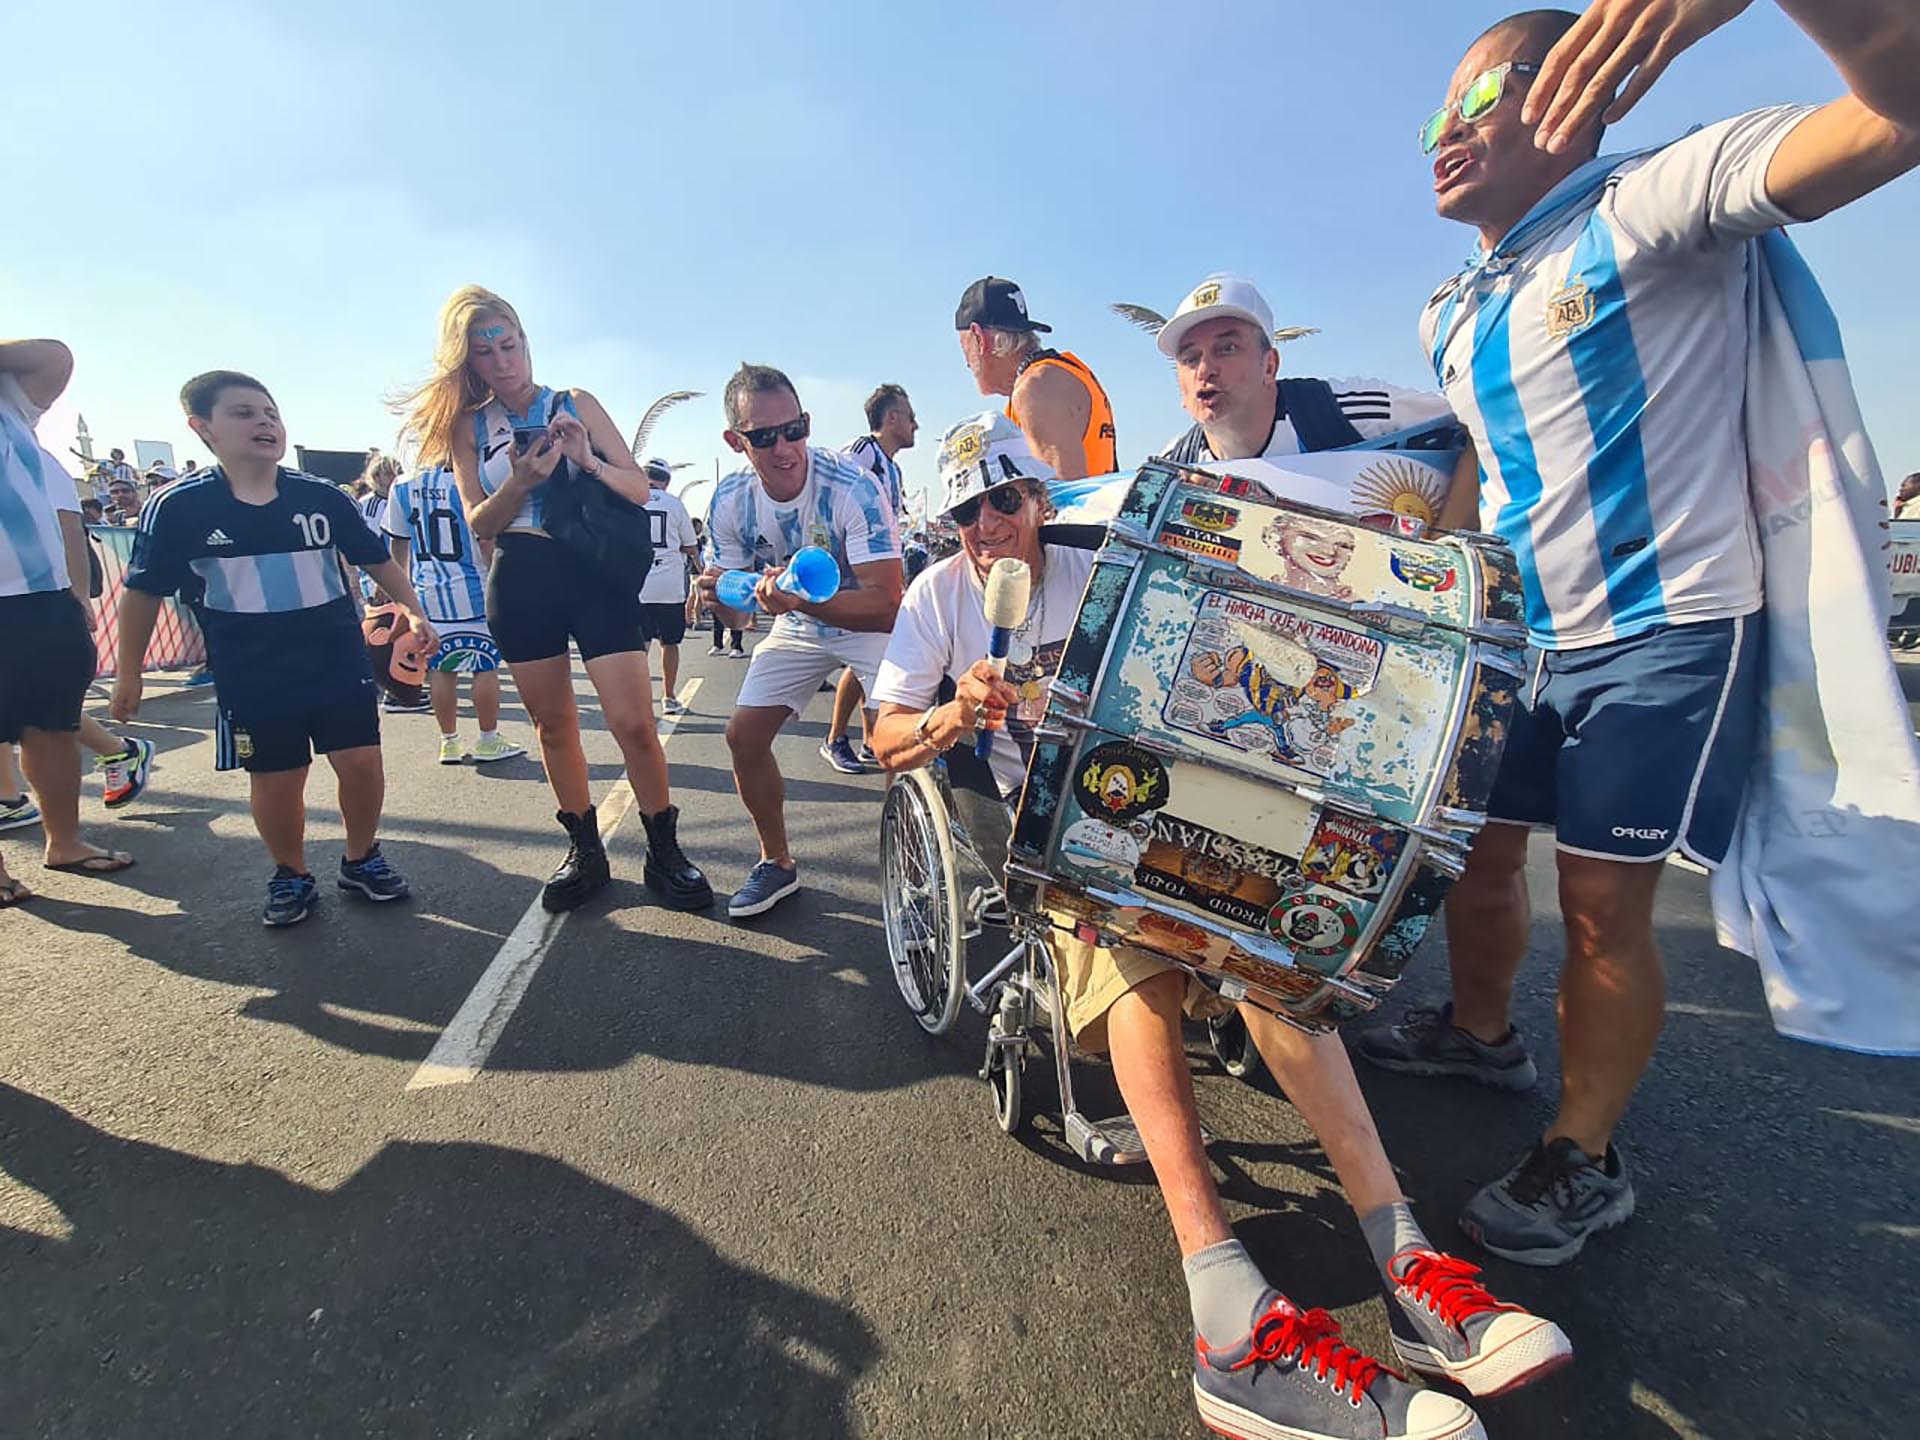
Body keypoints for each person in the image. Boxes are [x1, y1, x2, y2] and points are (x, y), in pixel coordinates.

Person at [1357, 1, 1920, 1266]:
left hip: (1663, 625)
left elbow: (1900, 111)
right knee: (1477, 859)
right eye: (1432, 114)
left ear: (1575, 91)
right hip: (1524, 642)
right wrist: (1446, 580)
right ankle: (1482, 1033)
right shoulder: (1451, 308)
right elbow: (1486, 468)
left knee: (1604, 904)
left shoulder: (1653, 198)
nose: (1440, 135)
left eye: (1473, 102)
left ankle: (1584, 1154)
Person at [870, 415, 1564, 1440]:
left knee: (1266, 929)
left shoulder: (1107, 564)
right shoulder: (937, 601)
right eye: (967, 512)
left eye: (1004, 502)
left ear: (1037, 505)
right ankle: (1227, 1313)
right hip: (1050, 821)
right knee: (1145, 935)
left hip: (1164, 794)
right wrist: (950, 718)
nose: (987, 528)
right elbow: (883, 737)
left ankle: (1406, 1255)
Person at [400, 285, 711, 913]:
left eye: (509, 344)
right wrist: (519, 481)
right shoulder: (468, 425)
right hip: (520, 572)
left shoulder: (575, 402)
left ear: (525, 341)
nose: (502, 361)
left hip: (592, 568)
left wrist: (585, 458)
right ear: (469, 363)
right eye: (485, 352)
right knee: (552, 724)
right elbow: (480, 522)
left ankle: (664, 849)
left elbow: (636, 488)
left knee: (633, 722)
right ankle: (585, 850)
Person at [111, 370, 436, 927]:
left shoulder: (322, 497)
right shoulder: (178, 507)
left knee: (360, 762)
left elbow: (376, 560)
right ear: (202, 428)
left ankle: (361, 858)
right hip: (252, 670)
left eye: (271, 412)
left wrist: (411, 607)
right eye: (243, 413)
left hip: (335, 656)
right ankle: (291, 873)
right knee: (278, 776)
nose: (265, 422)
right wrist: (128, 673)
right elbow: (141, 593)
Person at [698, 363, 903, 919]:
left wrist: (799, 601)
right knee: (743, 736)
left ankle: (910, 874)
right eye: (763, 437)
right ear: (736, 441)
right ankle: (777, 862)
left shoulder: (852, 488)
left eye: (796, 428)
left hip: (864, 620)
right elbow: (741, 620)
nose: (785, 447)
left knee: (896, 746)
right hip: (797, 622)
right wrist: (725, 601)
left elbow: (888, 603)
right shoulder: (731, 501)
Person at [1155, 273, 1465, 524]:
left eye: (1227, 349)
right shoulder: (1173, 464)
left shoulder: (1338, 411)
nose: (1205, 370)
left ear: (1270, 366)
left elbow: (1478, 422)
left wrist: (1444, 534)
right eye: (1190, 358)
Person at [0, 336, 136, 907]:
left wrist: (77, 590)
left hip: (36, 596)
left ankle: (65, 841)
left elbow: (53, 355)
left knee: (51, 726)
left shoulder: (11, 397)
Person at [383, 461, 526, 766]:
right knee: (484, 666)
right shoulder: (474, 480)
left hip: (428, 592)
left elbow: (399, 544)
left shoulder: (404, 484)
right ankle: (488, 738)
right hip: (474, 587)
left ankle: (449, 742)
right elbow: (486, 539)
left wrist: (402, 595)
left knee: (440, 668)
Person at [820, 383, 918, 774]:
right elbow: (835, 497)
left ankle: (868, 742)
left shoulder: (892, 468)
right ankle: (836, 739)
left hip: (876, 577)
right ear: (891, 419)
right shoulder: (864, 451)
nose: (916, 424)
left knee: (873, 658)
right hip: (853, 579)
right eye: (910, 416)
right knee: (868, 655)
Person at [955, 276, 1117, 480]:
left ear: (979, 338)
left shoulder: (1035, 389)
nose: (967, 363)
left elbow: (1062, 498)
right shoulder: (1061, 372)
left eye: (964, 348)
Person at [355, 453, 429, 715]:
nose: (393, 475)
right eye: (387, 472)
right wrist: (378, 583)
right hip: (381, 579)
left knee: (406, 635)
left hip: (404, 575)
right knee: (386, 636)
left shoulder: (404, 496)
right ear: (375, 477)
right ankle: (394, 692)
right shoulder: (369, 505)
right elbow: (369, 547)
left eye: (396, 469)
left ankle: (404, 687)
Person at [635, 457, 699, 716]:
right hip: (668, 584)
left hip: (637, 582)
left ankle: (639, 699)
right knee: (669, 643)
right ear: (667, 481)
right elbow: (691, 545)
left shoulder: (630, 500)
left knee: (640, 645)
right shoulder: (674, 504)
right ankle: (669, 696)